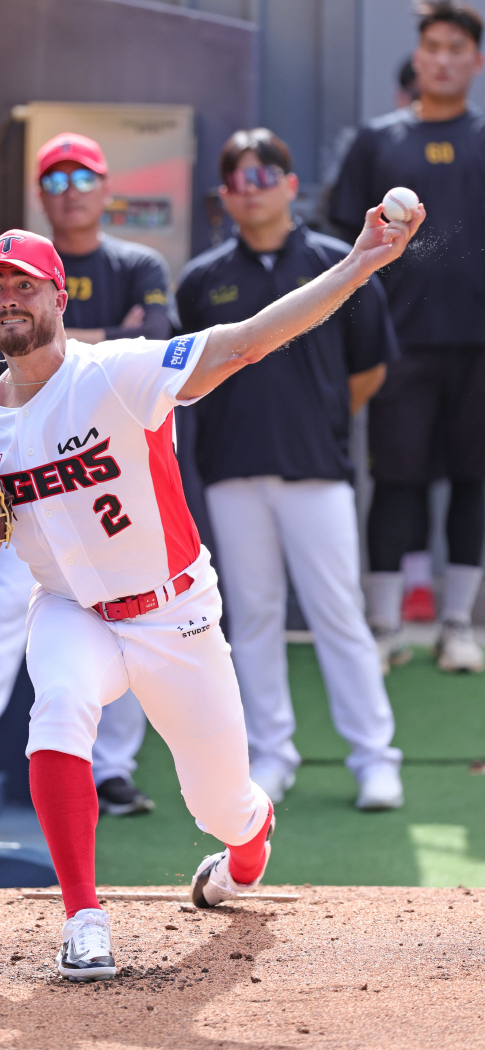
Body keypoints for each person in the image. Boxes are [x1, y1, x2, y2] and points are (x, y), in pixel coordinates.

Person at [0, 193, 422, 979]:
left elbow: (246, 341)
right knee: (58, 706)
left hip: (173, 611)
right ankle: (84, 919)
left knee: (221, 802)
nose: (7, 298)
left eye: (23, 284)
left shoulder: (116, 371)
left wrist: (359, 263)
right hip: (72, 611)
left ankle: (249, 837)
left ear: (59, 298)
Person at [0, 131, 173, 815]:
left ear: (105, 187)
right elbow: (26, 343)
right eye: (56, 183)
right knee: (6, 607)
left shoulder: (138, 260)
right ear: (41, 195)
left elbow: (145, 344)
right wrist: (95, 338)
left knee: (131, 615)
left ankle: (113, 770)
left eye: (82, 179)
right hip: (29, 466)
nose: (70, 194)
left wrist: (67, 342)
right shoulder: (19, 268)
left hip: (107, 471)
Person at [176, 128, 403, 810]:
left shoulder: (342, 262)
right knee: (252, 618)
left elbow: (367, 370)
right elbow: (187, 379)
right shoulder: (201, 280)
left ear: (291, 183)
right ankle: (271, 755)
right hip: (233, 472)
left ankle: (374, 758)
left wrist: (319, 417)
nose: (252, 187)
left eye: (264, 172)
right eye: (238, 177)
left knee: (341, 614)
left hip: (319, 472)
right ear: (225, 195)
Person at [329, 0, 485, 674]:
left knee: (474, 482)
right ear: (417, 58)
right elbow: (342, 243)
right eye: (434, 47)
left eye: (458, 48)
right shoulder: (376, 141)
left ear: (475, 62)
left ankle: (459, 626)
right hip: (398, 345)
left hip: (479, 347)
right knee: (396, 482)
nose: (444, 59)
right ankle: (385, 627)